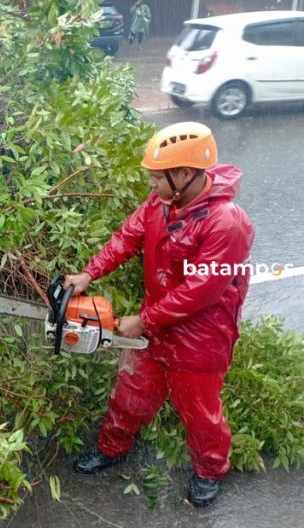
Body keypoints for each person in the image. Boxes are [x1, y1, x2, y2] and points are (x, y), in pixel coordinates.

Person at [66, 122, 254, 508]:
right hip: (156, 320)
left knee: (199, 412)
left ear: (183, 174)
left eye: (157, 176)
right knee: (130, 391)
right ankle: (112, 447)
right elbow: (127, 237)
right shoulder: (161, 203)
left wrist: (144, 321)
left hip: (202, 334)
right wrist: (89, 273)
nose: (151, 184)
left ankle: (210, 470)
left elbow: (200, 291)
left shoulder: (226, 222)